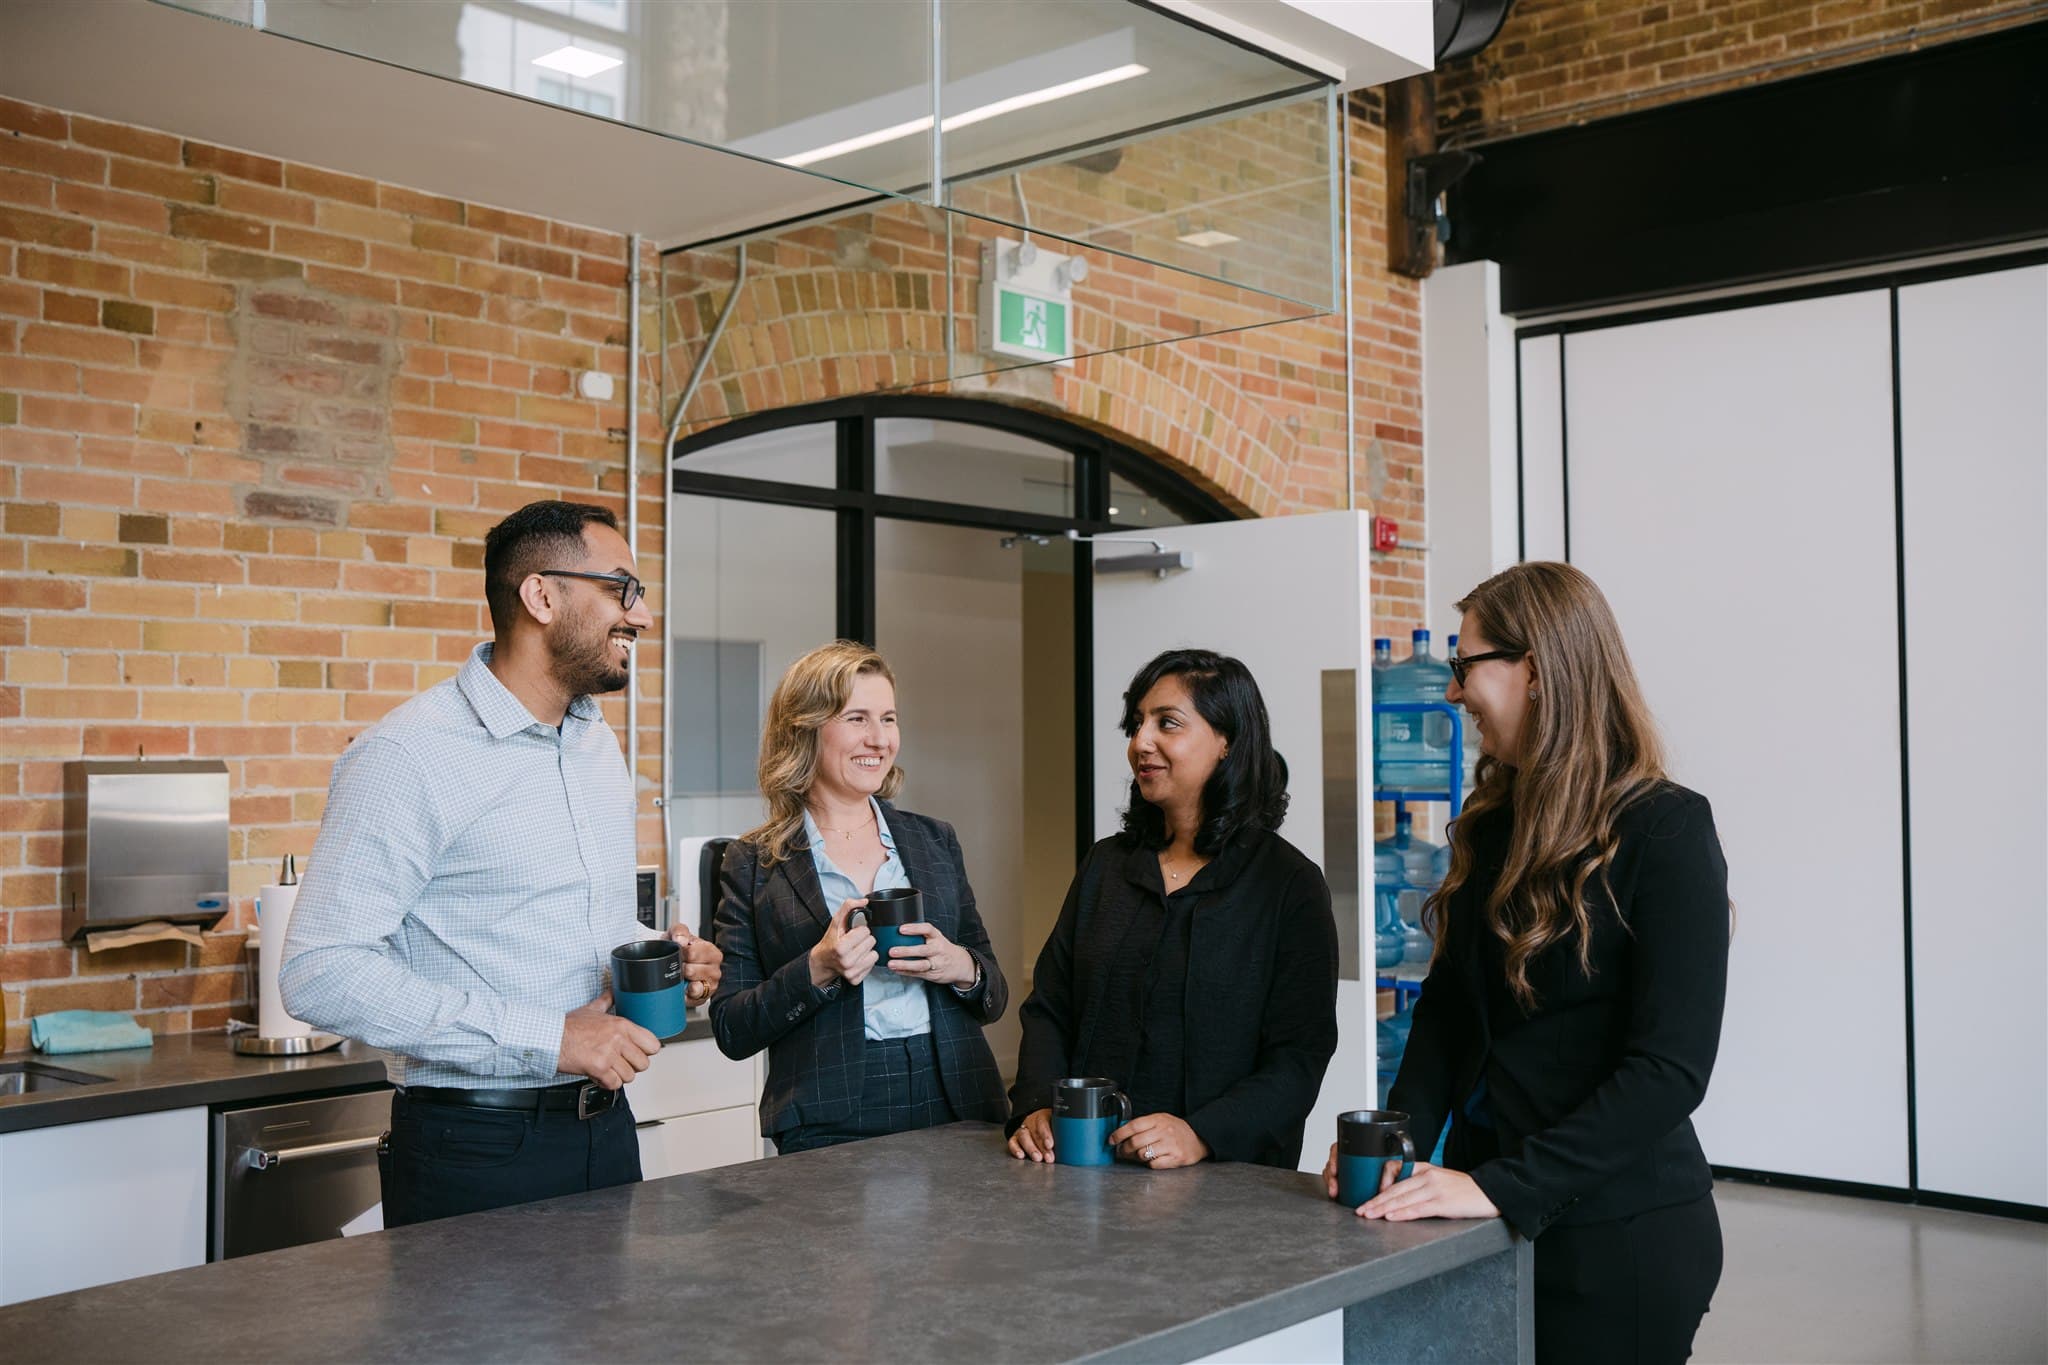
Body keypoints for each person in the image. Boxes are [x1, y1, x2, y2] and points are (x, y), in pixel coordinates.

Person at [1326, 561, 1729, 1365]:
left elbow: (1669, 1069)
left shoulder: (1669, 831)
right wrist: (1397, 1139)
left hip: (1619, 1233)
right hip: (1492, 1218)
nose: (1451, 694)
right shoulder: (1497, 825)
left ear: (1537, 670)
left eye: (1464, 665)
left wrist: (1497, 1186)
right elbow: (1447, 1011)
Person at [281, 500, 722, 1227]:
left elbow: (566, 921)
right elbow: (320, 969)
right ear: (542, 595)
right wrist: (551, 1036)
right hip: (476, 1147)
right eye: (622, 589)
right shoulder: (408, 756)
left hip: (606, 1126)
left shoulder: (592, 743)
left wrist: (661, 960)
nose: (641, 617)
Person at [1008, 649, 1338, 1170]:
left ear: (1227, 741)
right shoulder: (1105, 865)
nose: (1141, 742)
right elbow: (1050, 1005)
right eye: (1137, 724)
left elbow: (1299, 1057)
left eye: (1168, 723)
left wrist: (1201, 1134)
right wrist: (1036, 1106)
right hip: (1083, 1171)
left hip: (1230, 1186)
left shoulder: (1289, 884)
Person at [708, 640, 1009, 1153]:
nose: (879, 739)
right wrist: (817, 968)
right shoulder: (752, 861)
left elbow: (994, 995)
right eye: (856, 718)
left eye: (888, 719)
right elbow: (733, 1028)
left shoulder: (935, 840)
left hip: (956, 1092)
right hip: (828, 1110)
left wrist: (959, 965)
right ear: (804, 728)